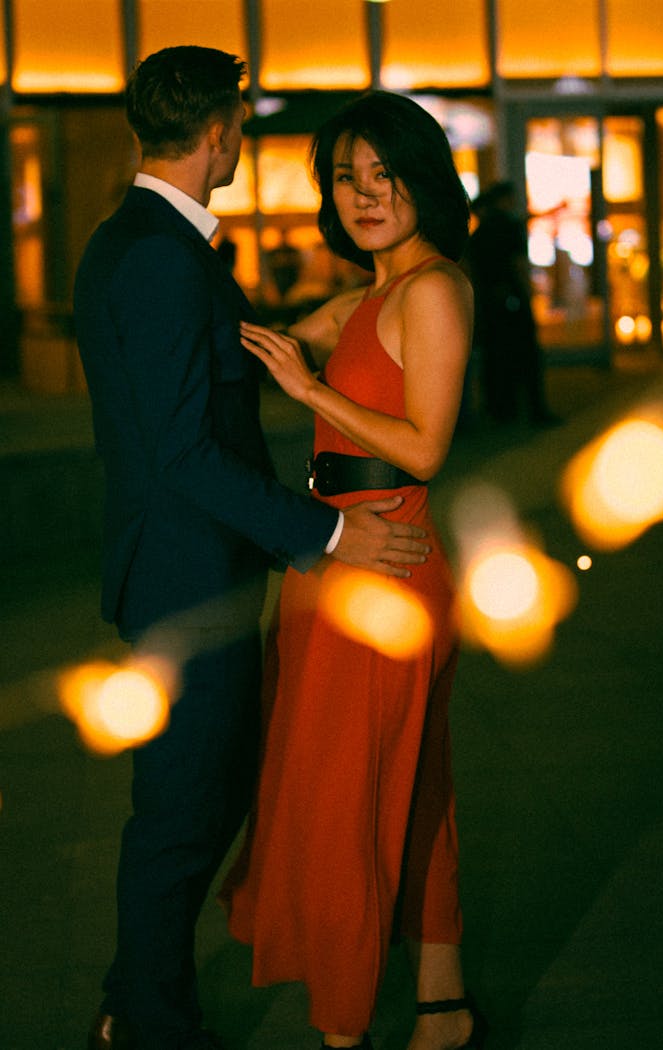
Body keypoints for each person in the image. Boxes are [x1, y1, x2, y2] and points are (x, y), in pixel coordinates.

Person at [73, 48, 429, 1050]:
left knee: (203, 795)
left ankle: (135, 993)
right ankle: (145, 1021)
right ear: (221, 129)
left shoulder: (154, 242)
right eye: (242, 119)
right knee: (183, 810)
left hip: (193, 571)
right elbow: (184, 446)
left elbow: (217, 368)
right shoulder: (156, 253)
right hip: (187, 580)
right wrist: (323, 532)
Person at [219, 91, 486, 1050]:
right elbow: (254, 342)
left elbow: (424, 449)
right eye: (347, 177)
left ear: (424, 178)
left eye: (386, 174)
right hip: (332, 564)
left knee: (349, 800)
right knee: (411, 790)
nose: (367, 194)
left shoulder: (433, 290)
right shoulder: (370, 294)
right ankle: (443, 1009)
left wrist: (310, 386)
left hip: (388, 572)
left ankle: (341, 1025)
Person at [468, 180, 559, 426]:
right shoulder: (508, 227)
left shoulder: (478, 235)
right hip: (513, 299)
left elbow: (475, 272)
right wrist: (528, 291)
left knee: (497, 357)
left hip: (491, 303)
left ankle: (502, 409)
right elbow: (517, 263)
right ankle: (534, 410)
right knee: (527, 355)